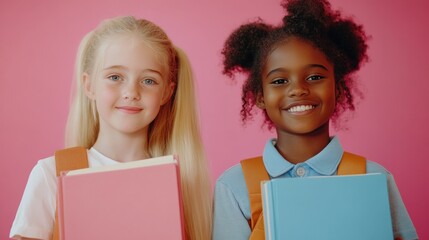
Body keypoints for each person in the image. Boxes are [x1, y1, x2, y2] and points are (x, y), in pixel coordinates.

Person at [212, 0, 418, 239]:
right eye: (280, 81)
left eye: (315, 77)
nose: (298, 90)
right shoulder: (233, 187)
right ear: (259, 96)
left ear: (338, 89)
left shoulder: (374, 178)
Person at [10, 16, 212, 240]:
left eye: (148, 80)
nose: (131, 92)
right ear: (89, 85)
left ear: (166, 92)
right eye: (115, 77)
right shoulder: (49, 175)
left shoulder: (183, 183)